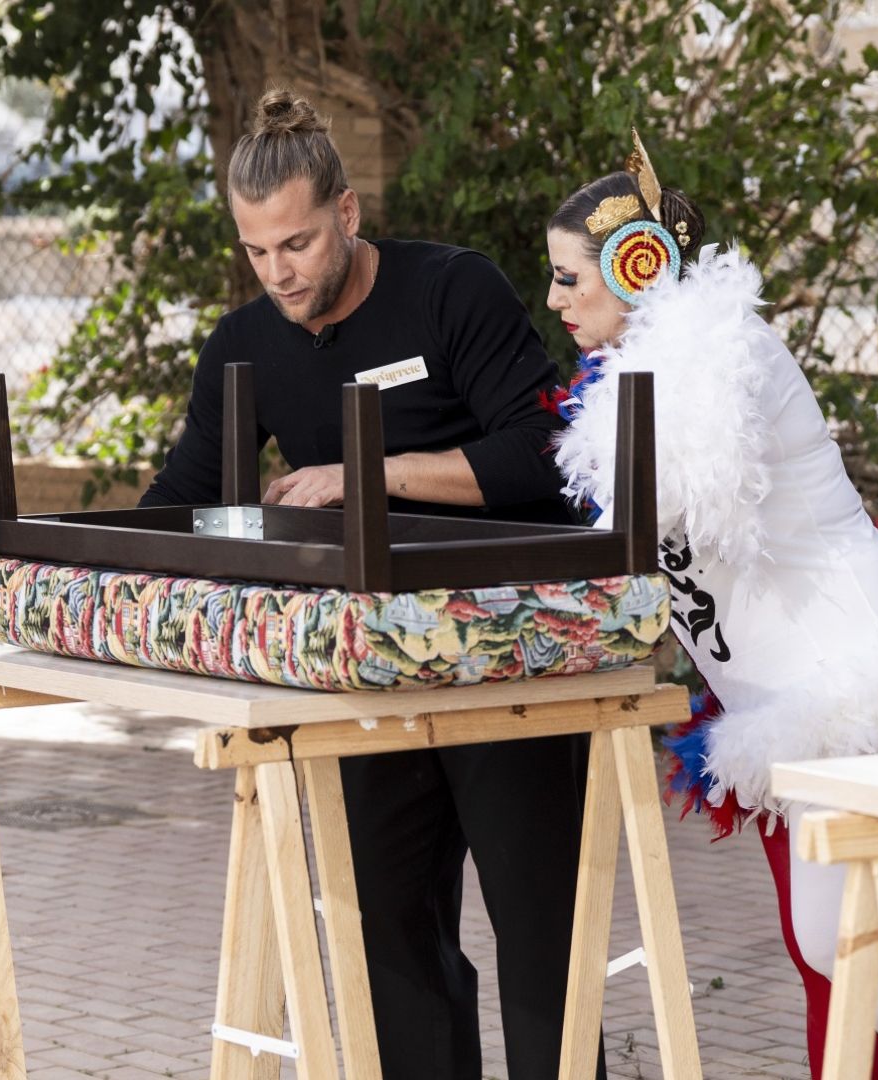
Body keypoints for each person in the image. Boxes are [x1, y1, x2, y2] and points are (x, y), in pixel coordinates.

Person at [141, 89, 604, 1079]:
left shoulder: (452, 290)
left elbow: (546, 451)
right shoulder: (243, 345)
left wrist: (366, 475)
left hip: (505, 656)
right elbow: (184, 497)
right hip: (368, 671)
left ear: (346, 213)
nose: (280, 273)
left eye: (298, 244)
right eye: (257, 252)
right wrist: (65, 557)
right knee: (391, 939)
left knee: (541, 936)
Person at [546, 133, 878, 1080]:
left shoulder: (717, 354)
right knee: (836, 940)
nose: (554, 300)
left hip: (851, 672)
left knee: (843, 938)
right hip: (786, 694)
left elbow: (652, 514)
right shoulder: (641, 376)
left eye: (567, 278)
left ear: (636, 267)